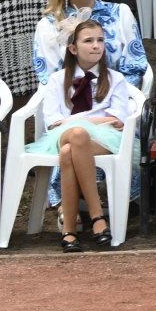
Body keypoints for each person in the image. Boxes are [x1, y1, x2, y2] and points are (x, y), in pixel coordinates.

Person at [29, 18, 135, 251]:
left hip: (103, 139)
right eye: (88, 41)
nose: (96, 45)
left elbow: (116, 121)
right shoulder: (57, 80)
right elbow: (53, 123)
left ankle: (69, 229)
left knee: (71, 149)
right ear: (73, 48)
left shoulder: (115, 79)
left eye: (100, 40)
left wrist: (78, 123)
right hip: (63, 135)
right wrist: (83, 124)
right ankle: (97, 217)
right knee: (75, 136)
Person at [32, 0, 150, 98]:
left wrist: (113, 97)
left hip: (117, 98)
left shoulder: (120, 13)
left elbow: (135, 64)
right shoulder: (49, 24)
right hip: (68, 102)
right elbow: (48, 74)